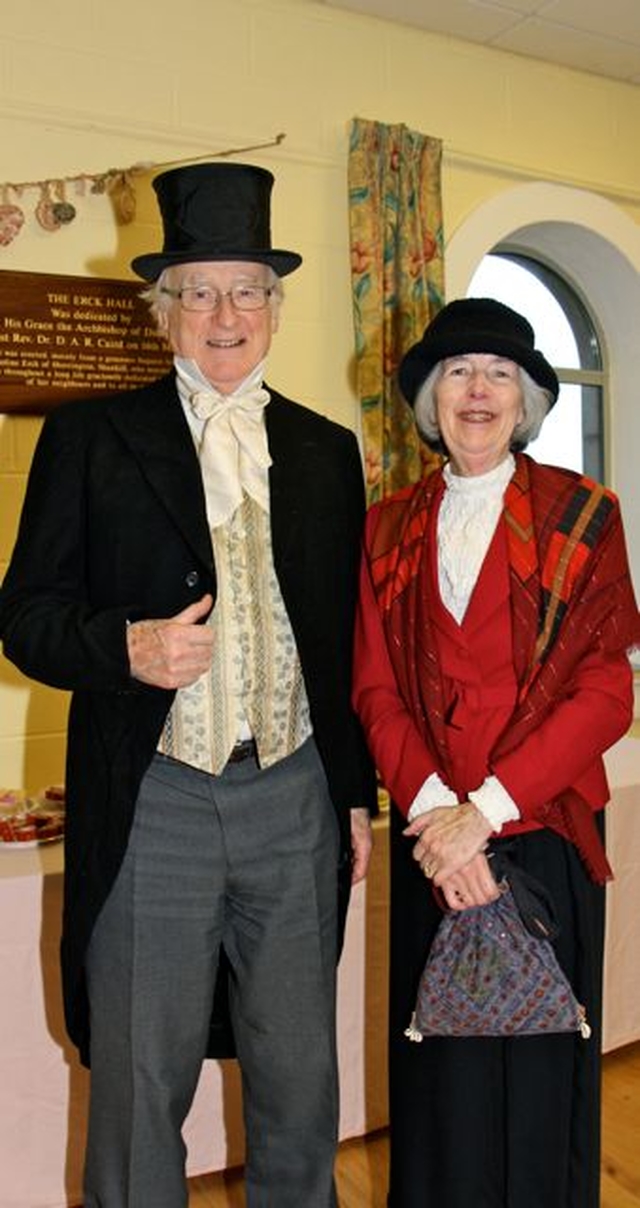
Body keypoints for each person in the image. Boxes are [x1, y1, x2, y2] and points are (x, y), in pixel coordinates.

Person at [0, 161, 377, 1208]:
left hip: (293, 796)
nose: (225, 313)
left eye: (247, 289)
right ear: (161, 310)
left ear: (274, 306)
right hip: (154, 797)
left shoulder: (324, 450)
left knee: (301, 1078)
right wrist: (124, 645)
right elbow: (24, 615)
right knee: (138, 1079)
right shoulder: (88, 438)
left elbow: (346, 643)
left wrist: (351, 790)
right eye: (199, 291)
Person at [352, 297, 640, 1208]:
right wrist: (441, 816)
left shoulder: (586, 515)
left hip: (543, 840)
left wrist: (488, 812)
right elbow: (373, 689)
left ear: (526, 400)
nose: (478, 391)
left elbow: (606, 693)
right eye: (460, 374)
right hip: (433, 846)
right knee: (443, 1095)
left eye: (500, 374)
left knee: (541, 1094)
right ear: (432, 400)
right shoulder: (387, 526)